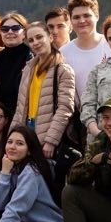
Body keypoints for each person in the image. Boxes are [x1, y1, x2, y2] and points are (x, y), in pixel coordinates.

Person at [9, 23, 77, 161]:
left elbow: (65, 108)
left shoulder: (63, 70)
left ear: (50, 37)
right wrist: (11, 137)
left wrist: (51, 140)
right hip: (26, 130)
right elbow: (20, 108)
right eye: (31, 40)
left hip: (47, 132)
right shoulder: (28, 69)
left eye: (39, 37)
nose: (35, 42)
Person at [60, 0, 111, 102]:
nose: (82, 21)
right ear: (70, 21)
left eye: (86, 15)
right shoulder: (63, 53)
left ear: (97, 16)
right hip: (80, 112)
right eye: (76, 17)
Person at [0, 11, 31, 123]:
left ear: (24, 33)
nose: (10, 32)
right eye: (5, 29)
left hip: (25, 118)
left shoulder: (34, 59)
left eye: (15, 28)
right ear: (0, 33)